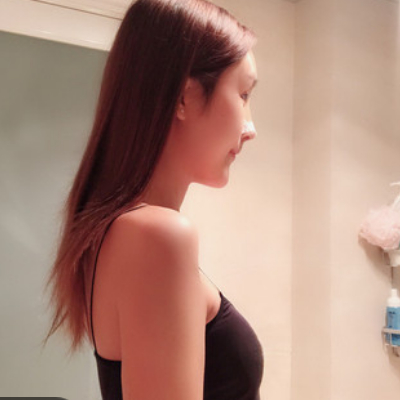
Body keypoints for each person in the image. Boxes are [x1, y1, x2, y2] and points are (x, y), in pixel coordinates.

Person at [42, 0, 263, 399]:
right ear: (183, 97)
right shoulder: (158, 235)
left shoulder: (120, 231)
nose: (250, 128)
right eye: (244, 94)